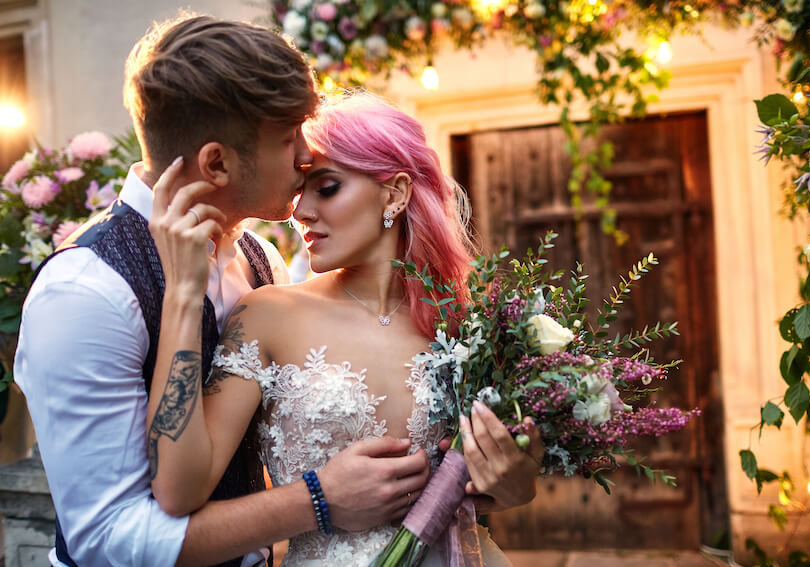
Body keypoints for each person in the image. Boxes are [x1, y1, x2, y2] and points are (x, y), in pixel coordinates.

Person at [14, 16, 453, 567]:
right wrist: (319, 501)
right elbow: (108, 538)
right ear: (217, 162)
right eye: (288, 137)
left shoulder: (259, 260)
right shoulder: (83, 293)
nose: (304, 155)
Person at [146, 93, 545, 565]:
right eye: (300, 192)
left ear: (394, 192)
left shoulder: (470, 321)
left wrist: (515, 483)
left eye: (327, 187)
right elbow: (176, 491)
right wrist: (181, 298)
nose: (301, 212)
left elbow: (501, 484)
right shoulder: (266, 315)